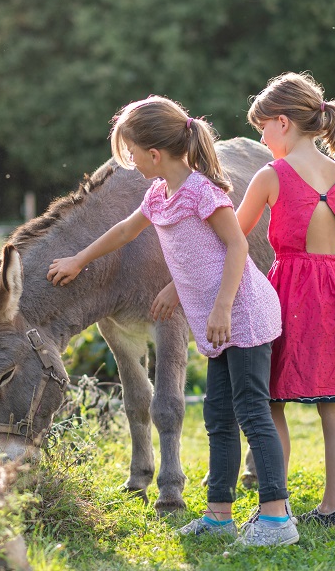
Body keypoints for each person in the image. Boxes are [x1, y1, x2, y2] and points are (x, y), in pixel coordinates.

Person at [47, 96, 298, 546]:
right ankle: (219, 514)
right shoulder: (159, 195)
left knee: (251, 413)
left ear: (155, 154)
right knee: (219, 418)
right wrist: (79, 260)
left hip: (242, 314)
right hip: (216, 321)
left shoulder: (203, 192)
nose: (129, 163)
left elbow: (236, 246)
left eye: (132, 153)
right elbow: (126, 232)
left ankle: (277, 518)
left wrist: (221, 306)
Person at [234, 72, 335, 528]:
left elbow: (234, 238)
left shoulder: (271, 175)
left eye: (261, 128)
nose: (261, 139)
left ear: (282, 122)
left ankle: (276, 507)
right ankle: (332, 511)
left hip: (291, 295)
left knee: (271, 403)